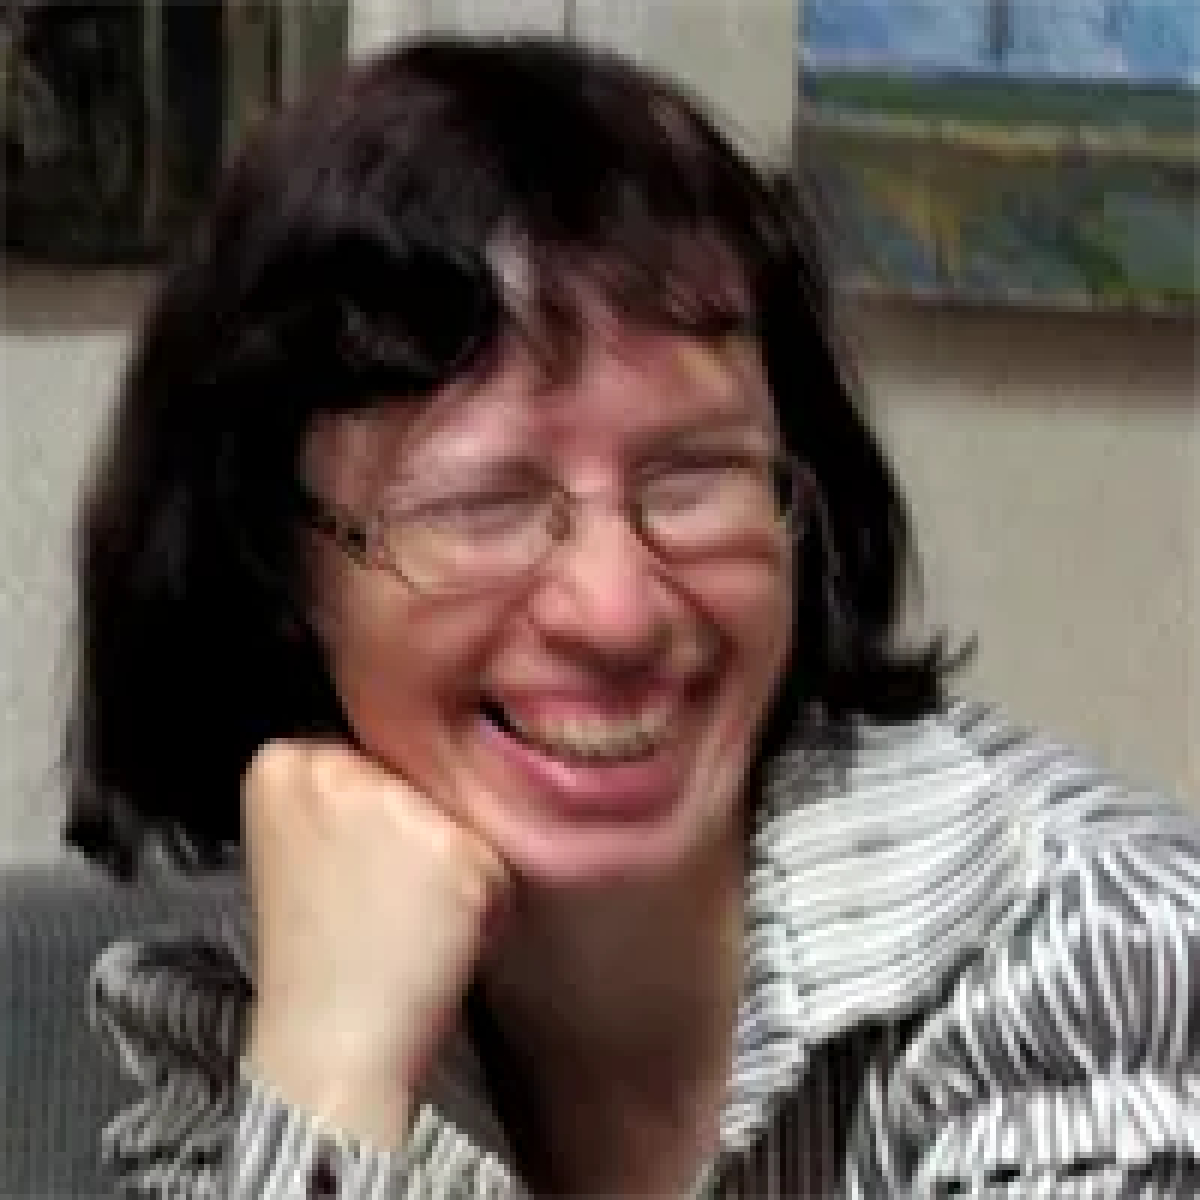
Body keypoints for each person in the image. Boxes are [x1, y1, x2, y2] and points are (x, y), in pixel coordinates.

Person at [67, 37, 1198, 1199]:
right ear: (280, 572)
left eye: (694, 477)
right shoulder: (276, 1008)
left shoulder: (1099, 956)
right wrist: (333, 1072)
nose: (614, 613)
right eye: (483, 504)